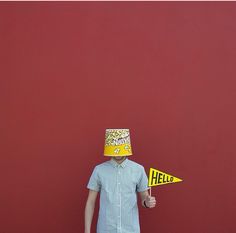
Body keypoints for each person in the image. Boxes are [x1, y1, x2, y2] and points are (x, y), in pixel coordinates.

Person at [84, 129, 156, 233]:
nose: (117, 151)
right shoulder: (99, 170)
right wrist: (87, 230)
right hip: (106, 229)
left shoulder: (138, 169)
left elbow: (144, 197)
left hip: (131, 229)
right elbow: (90, 201)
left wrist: (147, 202)